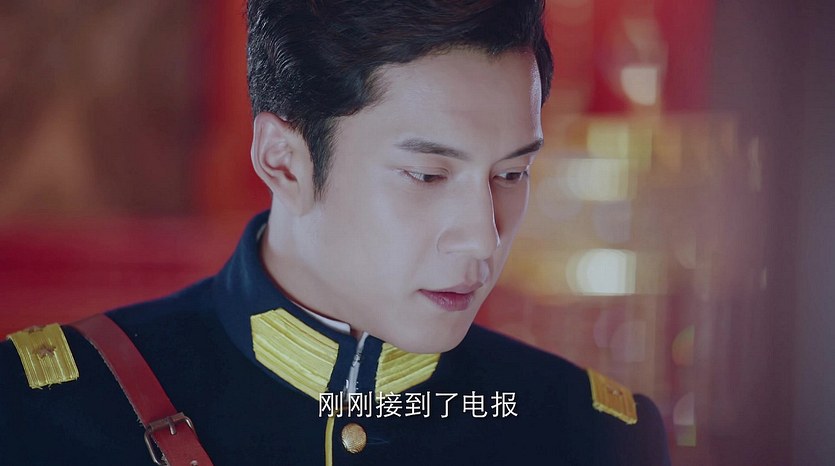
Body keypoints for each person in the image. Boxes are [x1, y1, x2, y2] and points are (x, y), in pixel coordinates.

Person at [0, 0, 671, 464]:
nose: (482, 239)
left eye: (511, 174)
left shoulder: (590, 436)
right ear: (283, 161)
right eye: (427, 175)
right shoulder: (50, 411)